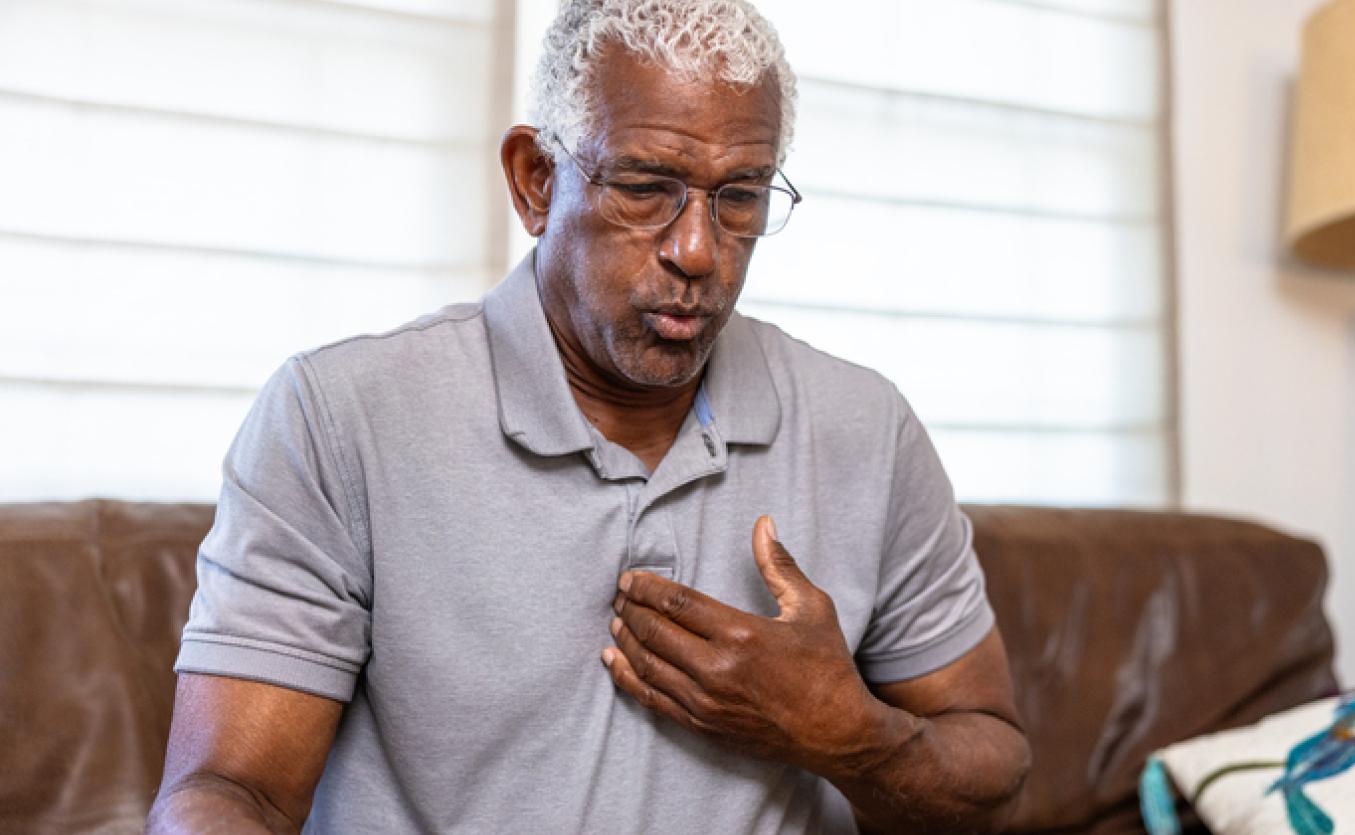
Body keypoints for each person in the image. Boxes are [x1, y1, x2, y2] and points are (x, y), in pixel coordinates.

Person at [148, 1, 1031, 833]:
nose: (698, 250)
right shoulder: (339, 419)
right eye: (646, 186)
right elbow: (229, 790)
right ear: (536, 182)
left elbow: (992, 774)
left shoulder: (866, 429)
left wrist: (849, 735)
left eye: (741, 195)